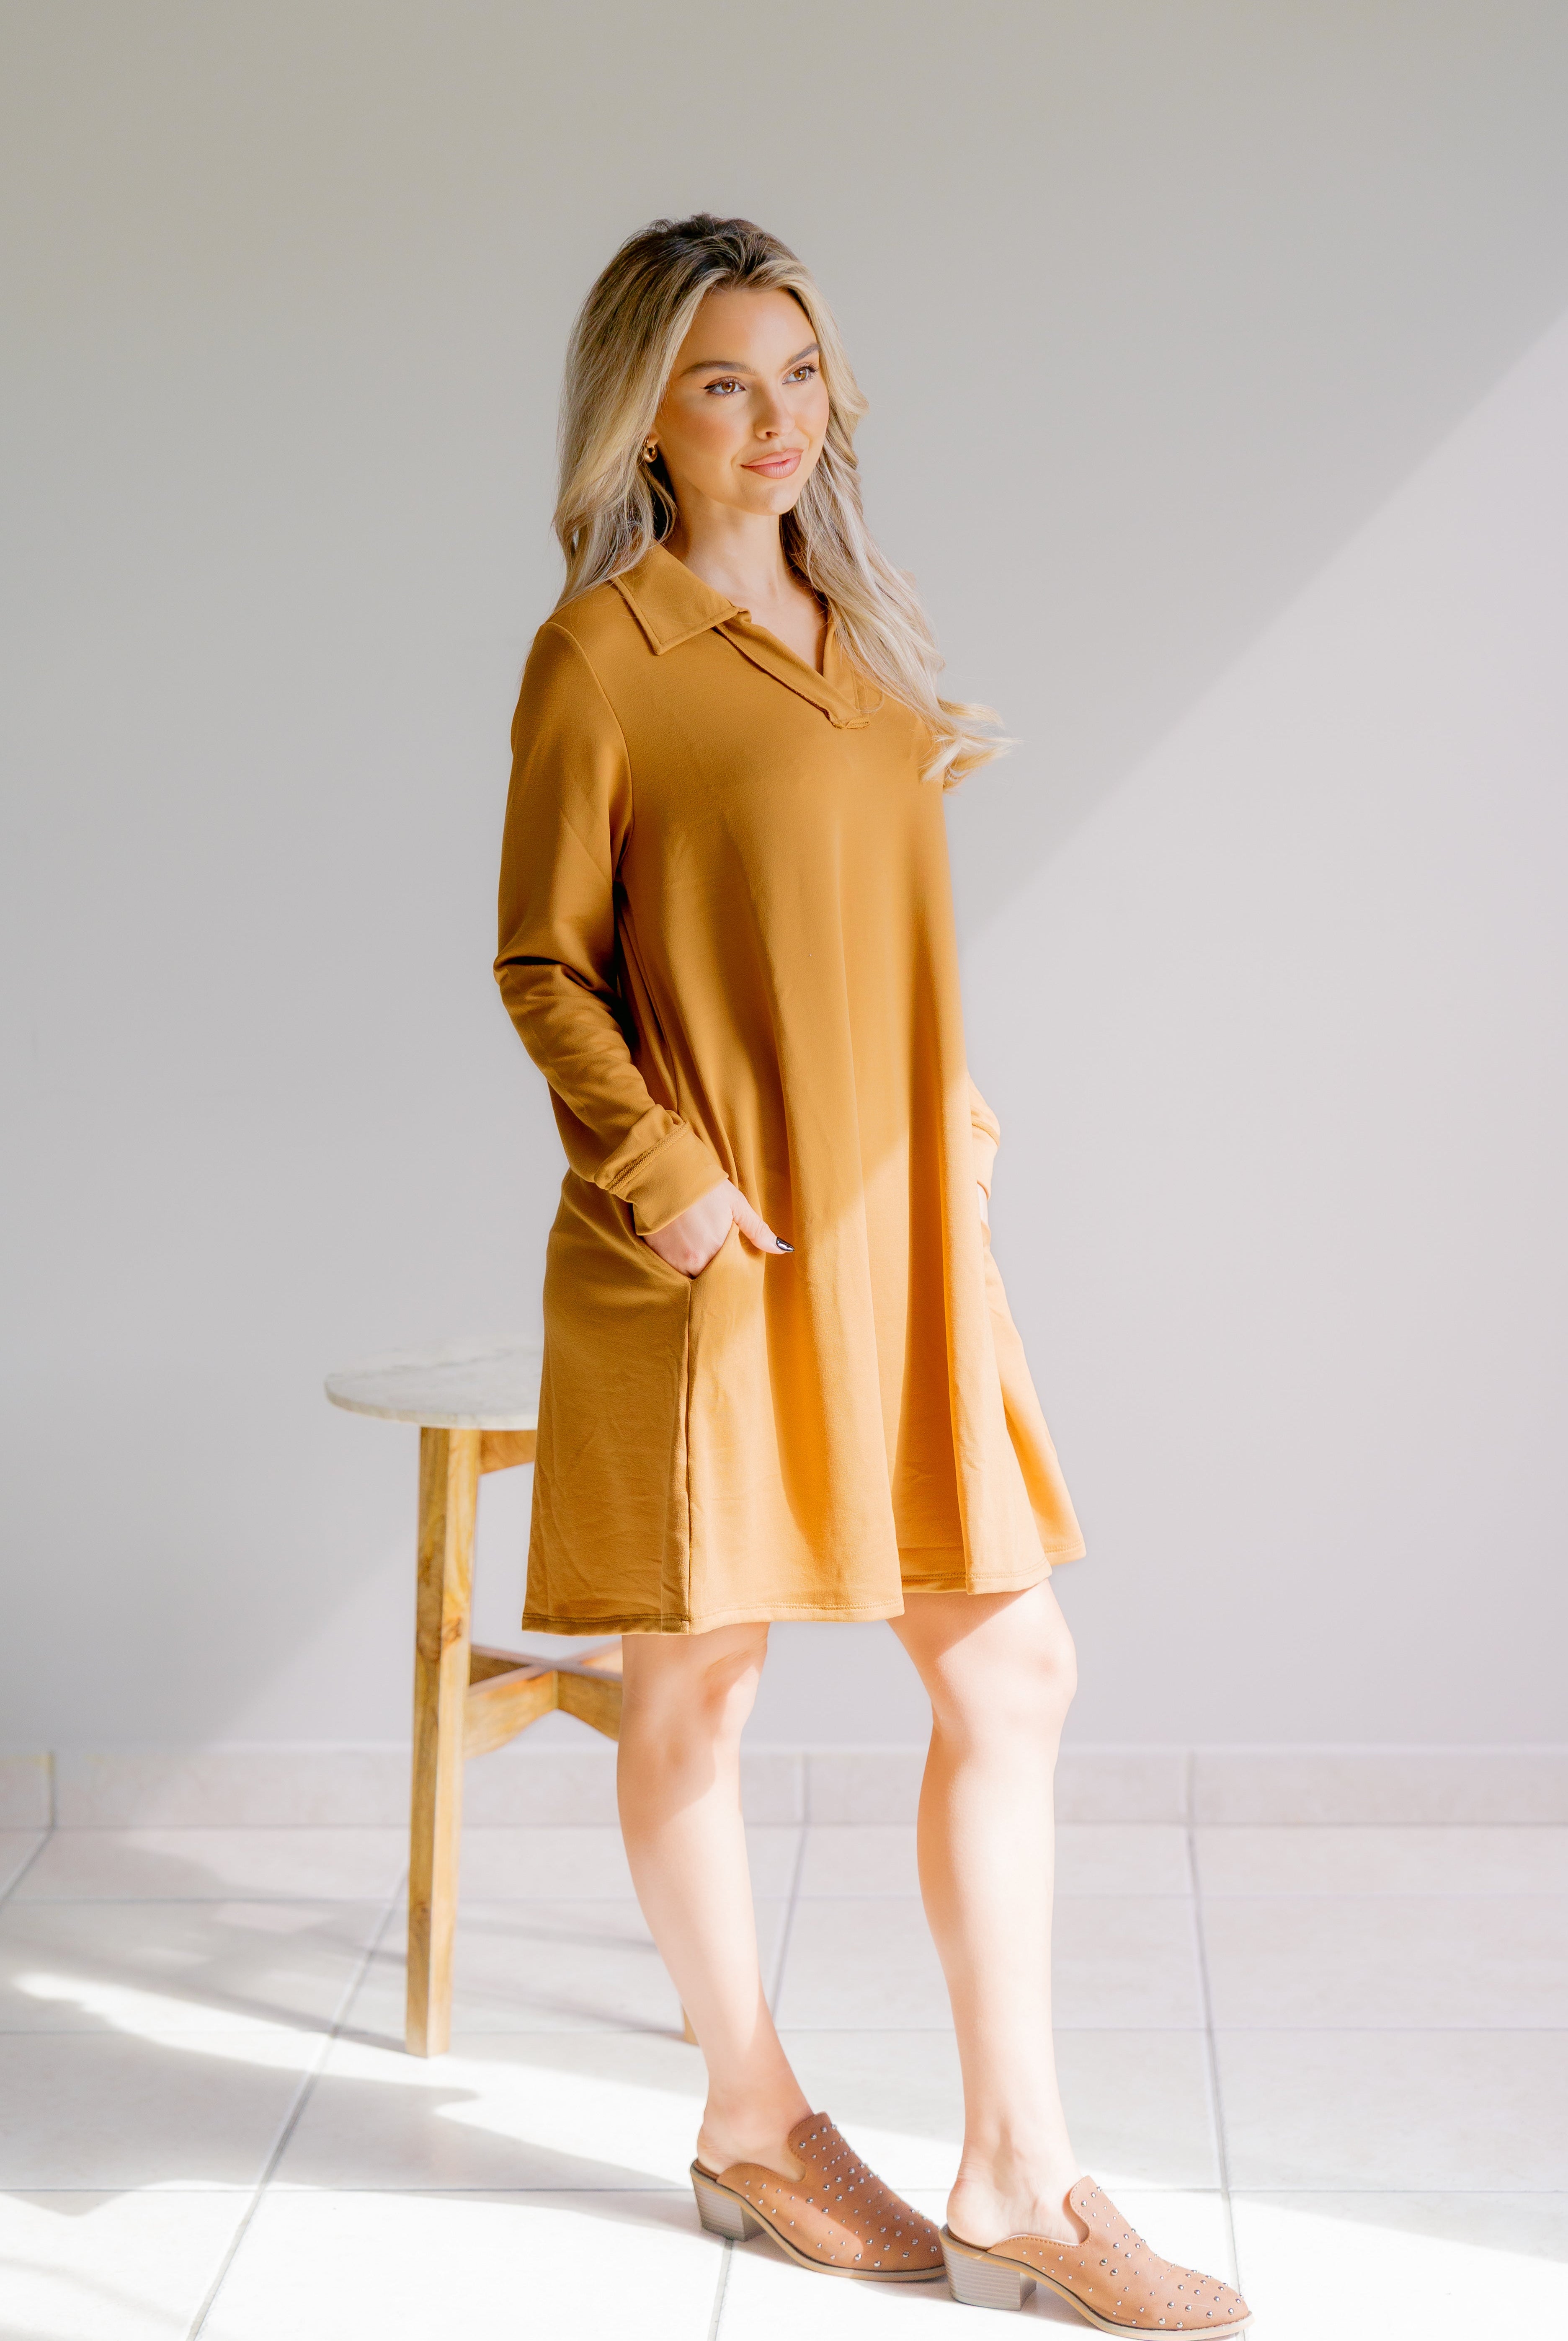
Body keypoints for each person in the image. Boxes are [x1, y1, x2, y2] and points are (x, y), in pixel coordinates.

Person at [495, 214, 1249, 2332]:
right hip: (704, 1246)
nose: (778, 419)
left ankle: (1017, 2168)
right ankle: (751, 2109)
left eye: (802, 372)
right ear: (647, 414)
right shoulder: (602, 655)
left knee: (1012, 1669)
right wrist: (668, 1178)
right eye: (727, 382)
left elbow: (863, 933)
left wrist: (960, 1134)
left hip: (900, 1241)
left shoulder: (866, 634)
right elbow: (544, 961)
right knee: (700, 1682)